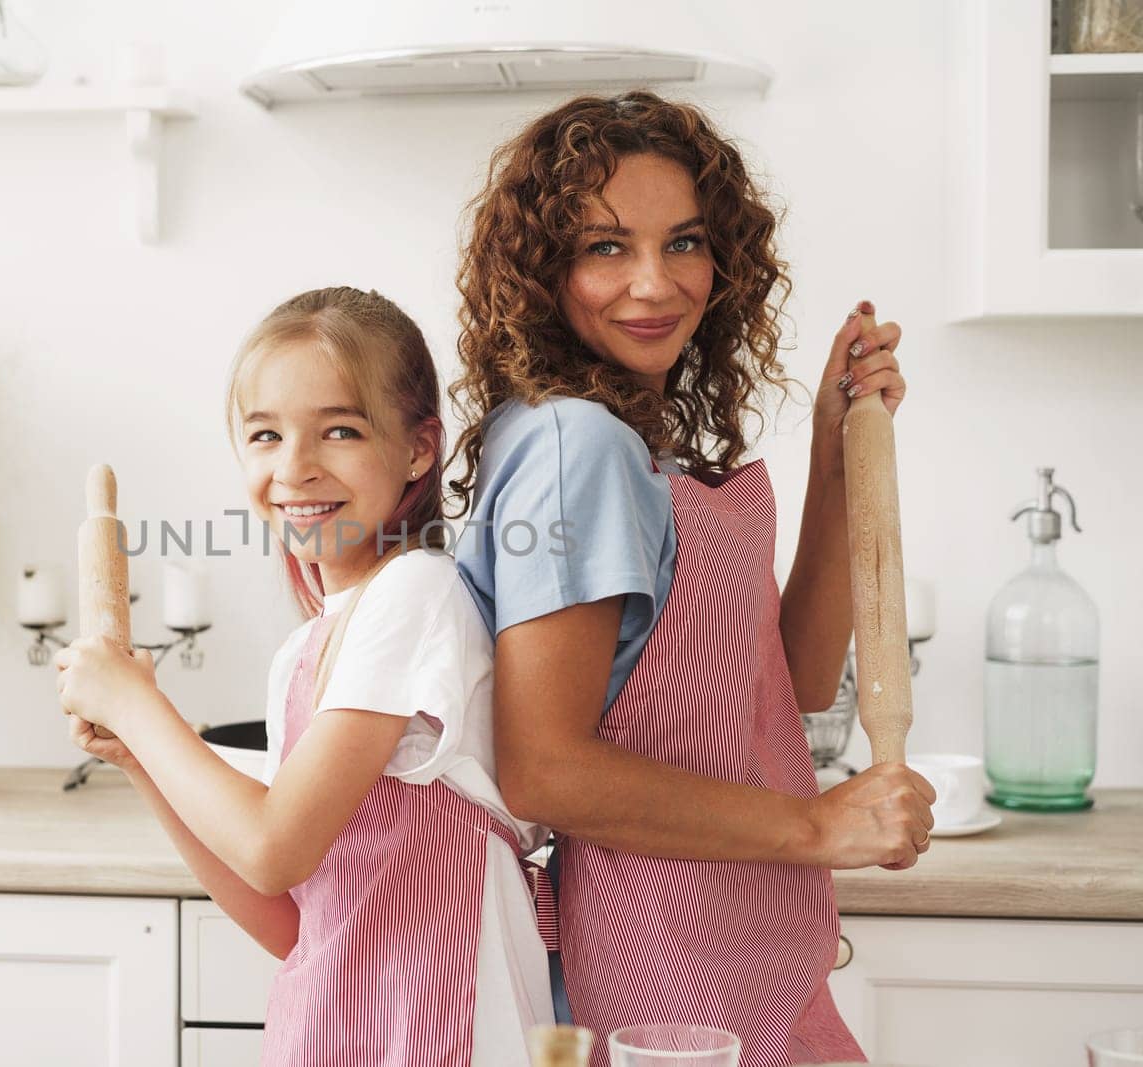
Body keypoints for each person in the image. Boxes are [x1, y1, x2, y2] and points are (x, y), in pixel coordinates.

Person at [447, 92, 936, 1066]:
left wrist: (832, 463)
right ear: (542, 268)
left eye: (683, 243)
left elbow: (789, 681)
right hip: (657, 965)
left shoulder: (627, 443)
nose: (652, 283)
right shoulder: (573, 445)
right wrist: (815, 821)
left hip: (731, 941)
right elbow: (542, 764)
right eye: (604, 247)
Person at [57, 286, 552, 1065]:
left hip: (446, 1024)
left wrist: (140, 703)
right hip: (338, 1023)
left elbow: (272, 844)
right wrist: (139, 756)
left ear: (419, 448)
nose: (294, 467)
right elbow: (291, 919)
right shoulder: (306, 650)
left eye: (341, 430)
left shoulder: (416, 593)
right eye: (264, 435)